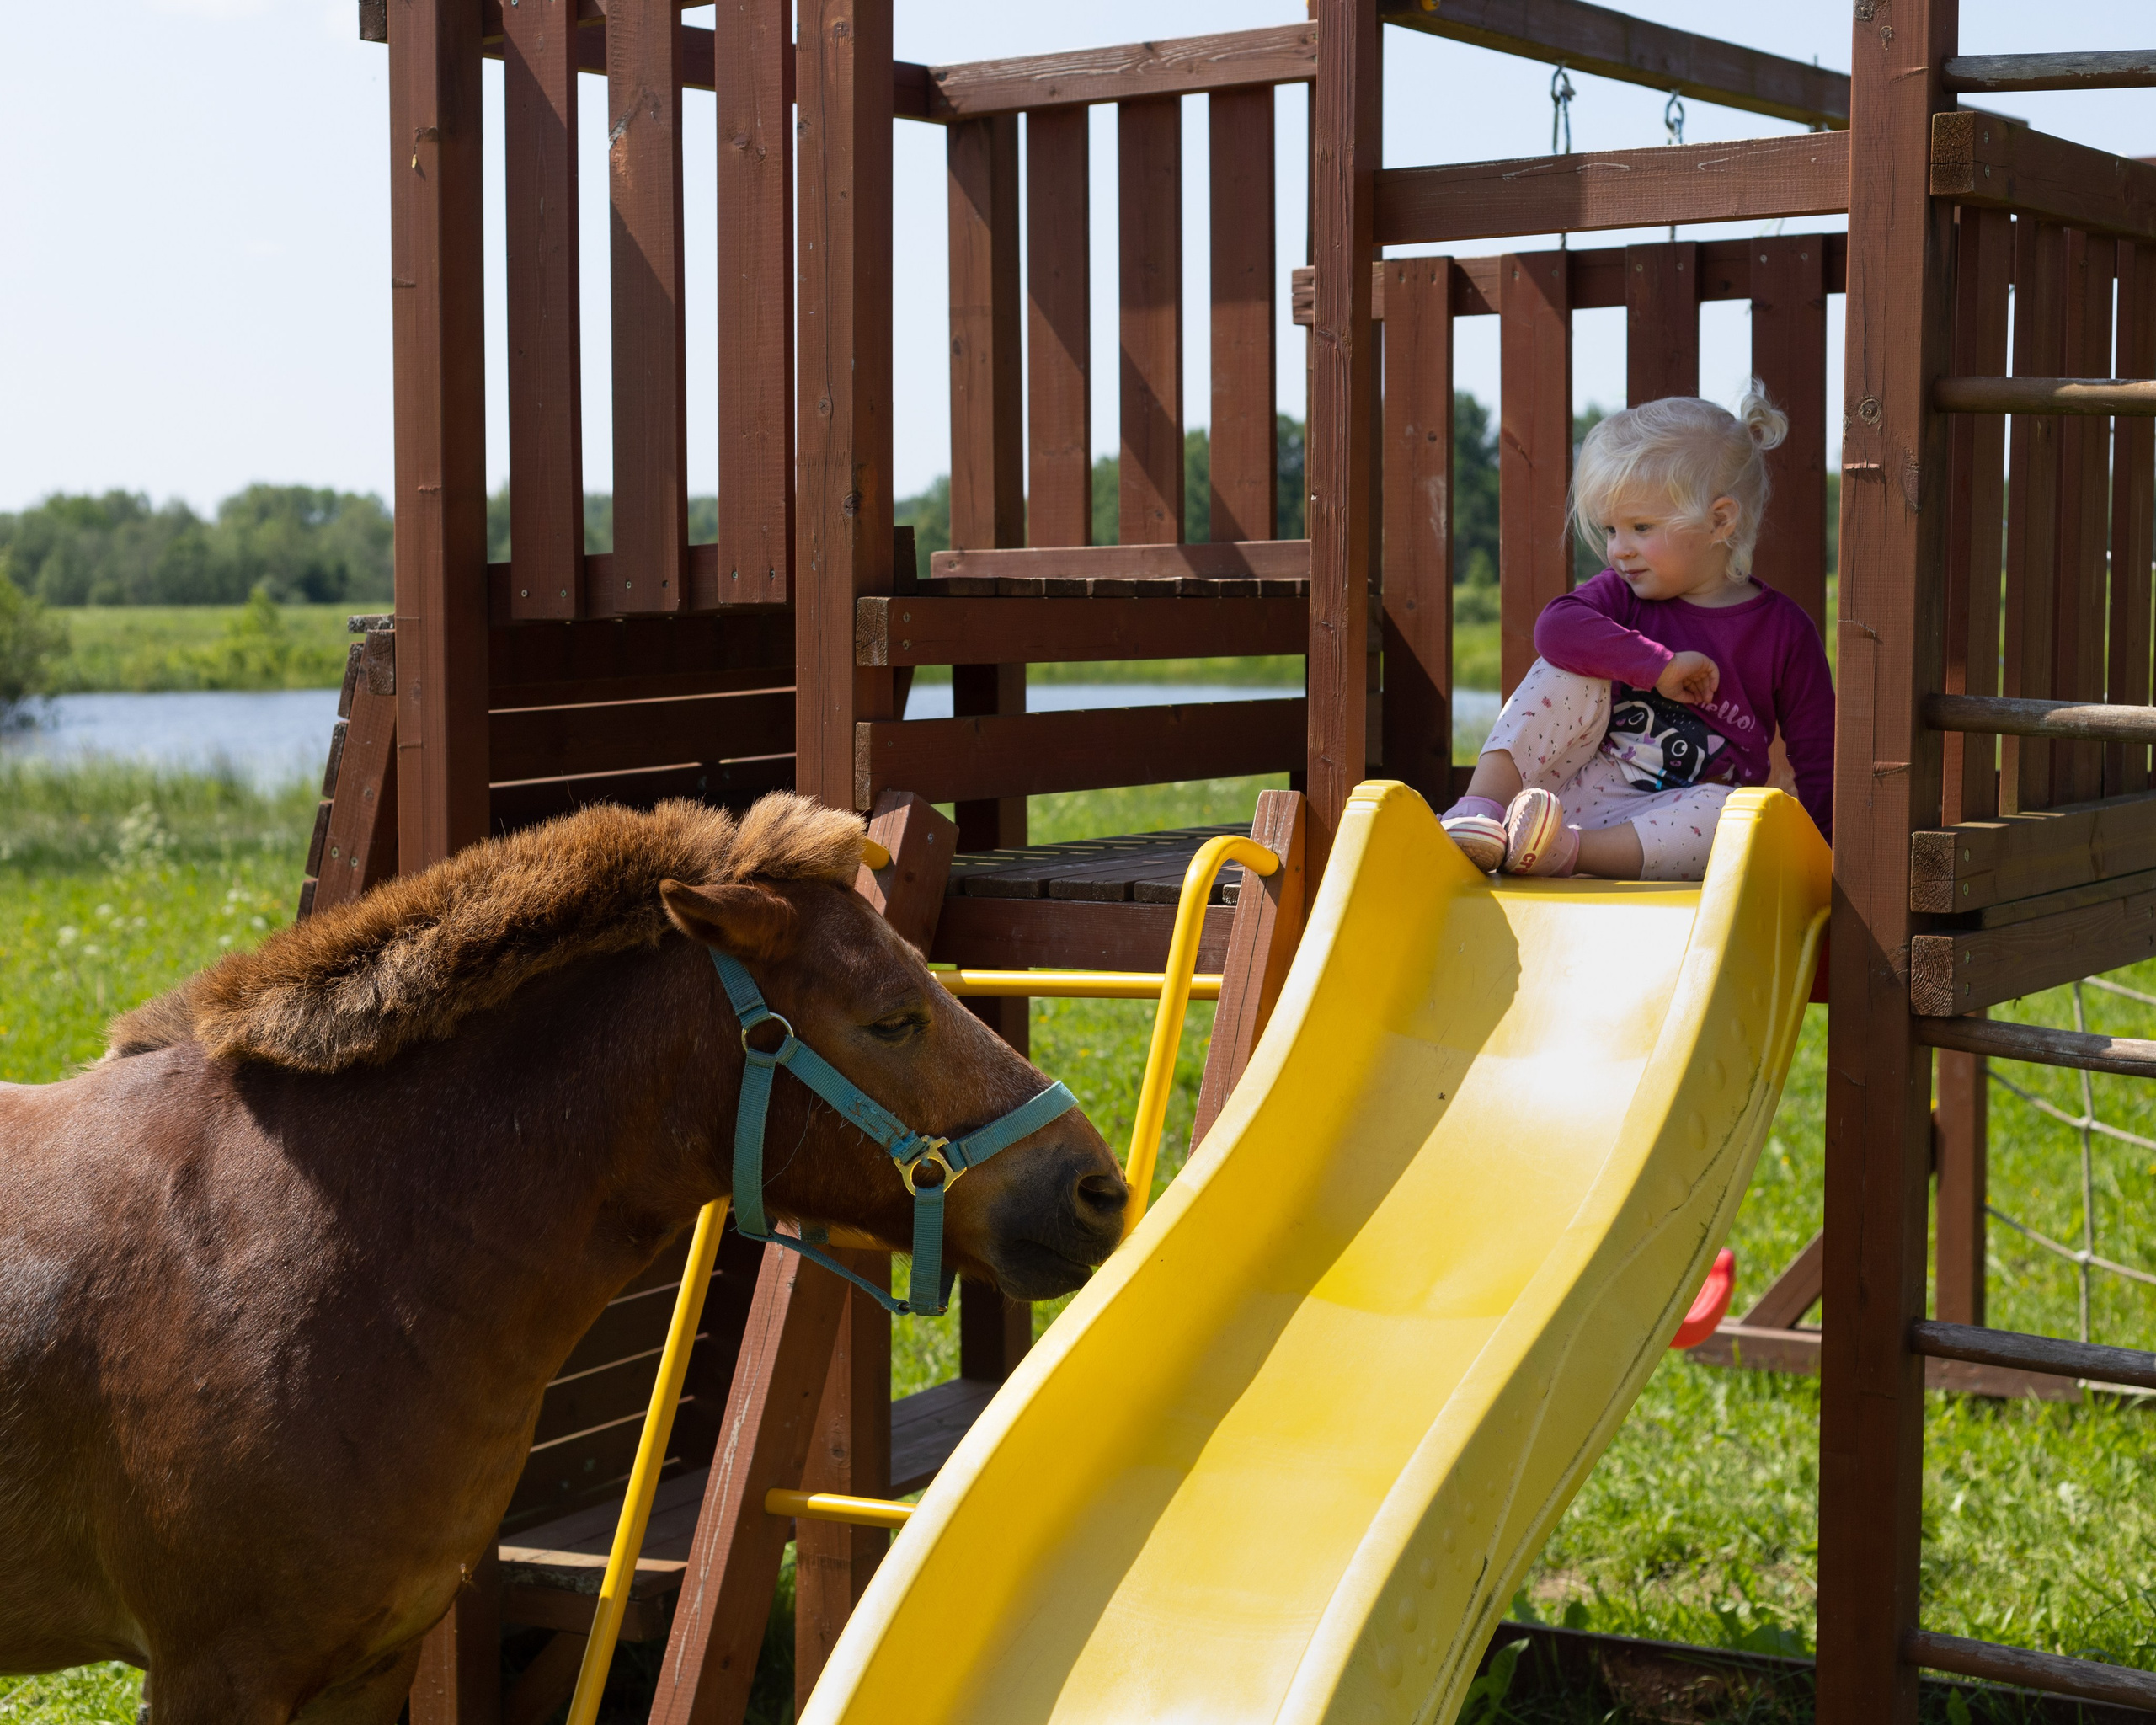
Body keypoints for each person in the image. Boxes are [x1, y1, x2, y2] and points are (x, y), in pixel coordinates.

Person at [1440, 384, 1833, 881]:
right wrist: (1658, 668)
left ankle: (1566, 854)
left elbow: (1820, 759)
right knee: (1567, 668)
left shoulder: (1783, 632)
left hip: (1663, 829)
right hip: (1559, 797)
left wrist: (1824, 866)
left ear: (1718, 522)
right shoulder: (1620, 597)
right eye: (1610, 530)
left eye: (1641, 528)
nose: (1619, 550)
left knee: (1737, 812)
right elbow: (1553, 629)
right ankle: (1481, 811)